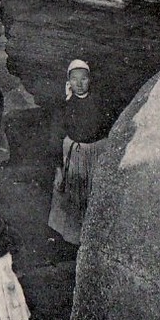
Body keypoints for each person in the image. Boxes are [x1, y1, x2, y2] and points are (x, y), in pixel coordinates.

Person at [47, 59, 112, 246]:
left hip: (96, 155)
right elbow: (55, 138)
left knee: (94, 196)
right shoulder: (64, 106)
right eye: (74, 80)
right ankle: (73, 240)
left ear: (89, 80)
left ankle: (94, 237)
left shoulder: (100, 103)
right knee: (72, 198)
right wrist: (58, 168)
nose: (79, 83)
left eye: (83, 79)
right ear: (68, 82)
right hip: (74, 157)